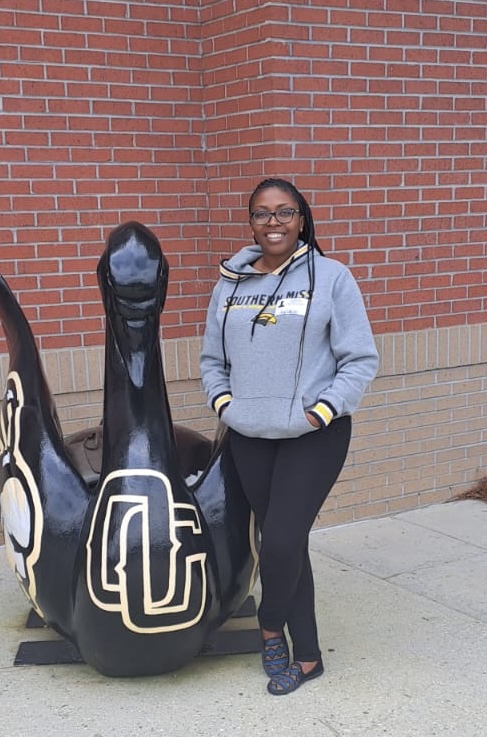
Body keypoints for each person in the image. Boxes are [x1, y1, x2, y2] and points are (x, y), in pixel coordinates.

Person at [200, 178, 378, 695]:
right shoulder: (229, 286)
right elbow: (213, 360)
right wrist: (225, 405)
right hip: (249, 434)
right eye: (262, 213)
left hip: (313, 433)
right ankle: (308, 656)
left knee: (279, 539)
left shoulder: (332, 278)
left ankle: (269, 623)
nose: (273, 222)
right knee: (285, 544)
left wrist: (323, 410)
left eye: (284, 212)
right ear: (251, 221)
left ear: (302, 219)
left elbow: (360, 358)